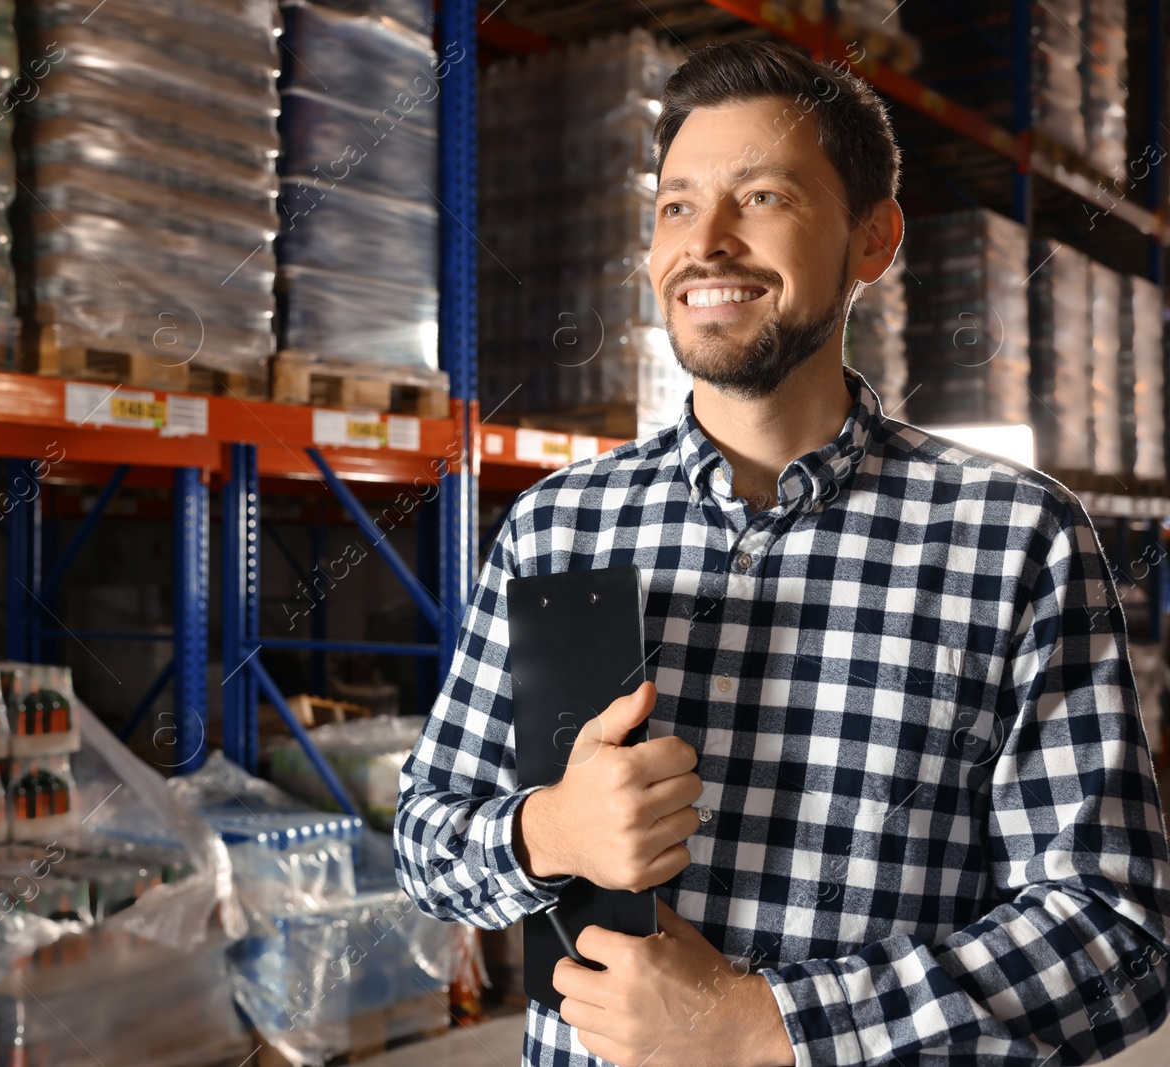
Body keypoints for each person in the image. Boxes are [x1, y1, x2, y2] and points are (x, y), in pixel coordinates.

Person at [393, 38, 1170, 1067]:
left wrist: (766, 1024)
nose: (703, 243)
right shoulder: (557, 523)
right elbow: (425, 840)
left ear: (873, 240)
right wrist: (548, 831)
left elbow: (1112, 940)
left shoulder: (1014, 536)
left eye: (759, 197)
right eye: (675, 204)